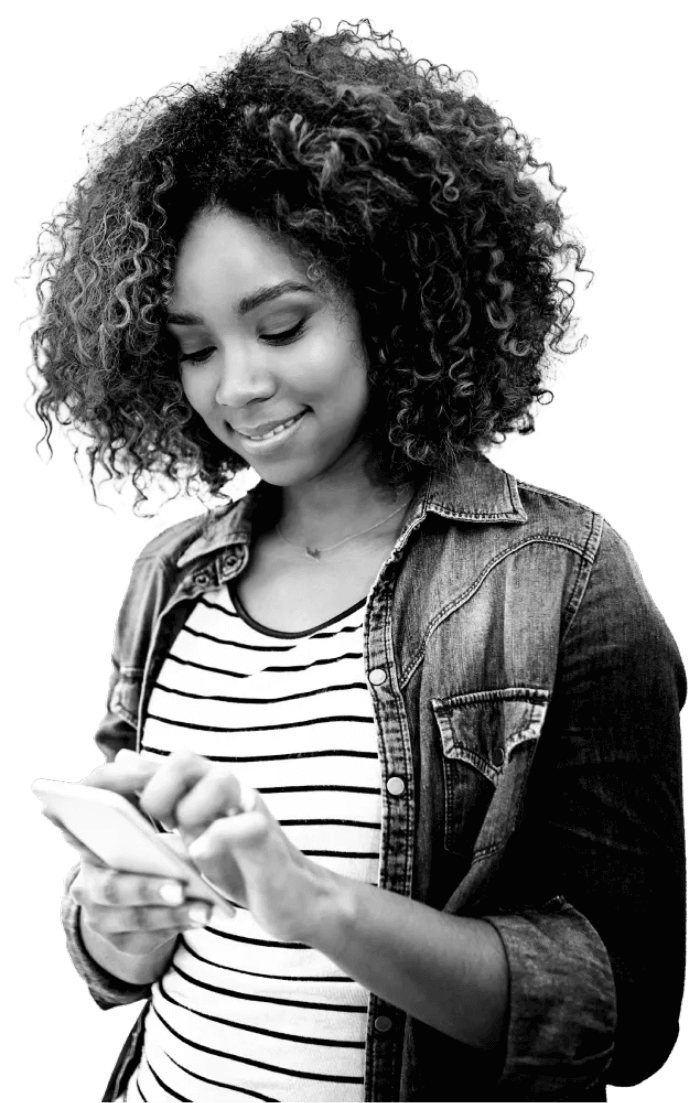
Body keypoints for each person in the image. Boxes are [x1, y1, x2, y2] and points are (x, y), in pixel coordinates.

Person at [22, 18, 685, 1103]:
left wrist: (317, 904)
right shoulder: (169, 576)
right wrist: (111, 922)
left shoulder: (560, 576)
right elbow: (120, 967)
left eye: (281, 327)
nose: (235, 385)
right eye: (194, 346)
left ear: (392, 292)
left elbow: (624, 1007)